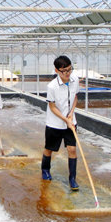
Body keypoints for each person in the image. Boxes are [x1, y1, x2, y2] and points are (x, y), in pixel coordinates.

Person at [41, 55, 80, 191]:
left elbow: (75, 97)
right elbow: (52, 107)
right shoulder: (52, 86)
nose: (68, 73)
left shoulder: (75, 80)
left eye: (70, 70)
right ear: (57, 71)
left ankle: (72, 179)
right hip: (55, 123)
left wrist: (71, 113)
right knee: (49, 148)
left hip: (70, 121)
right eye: (64, 71)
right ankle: (45, 170)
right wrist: (65, 119)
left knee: (72, 149)